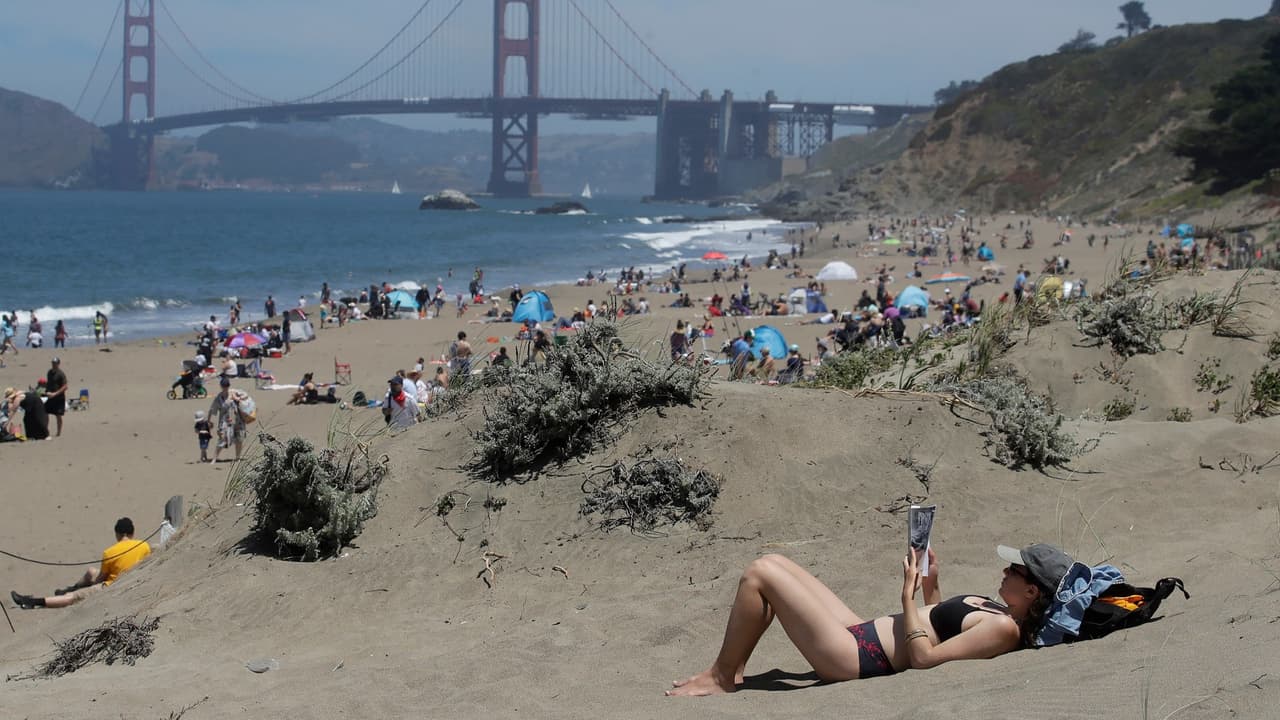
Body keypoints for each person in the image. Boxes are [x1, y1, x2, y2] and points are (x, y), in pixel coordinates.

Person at [665, 543, 1068, 696]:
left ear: (1032, 592)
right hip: (862, 631)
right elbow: (940, 626)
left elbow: (925, 659)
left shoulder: (1004, 628)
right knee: (775, 561)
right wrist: (931, 584)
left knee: (760, 574)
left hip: (859, 658)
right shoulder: (995, 609)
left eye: (1014, 571)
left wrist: (906, 595)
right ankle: (734, 666)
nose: (1005, 572)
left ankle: (721, 676)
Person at [10, 518, 152, 609]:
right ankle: (70, 588)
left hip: (113, 585)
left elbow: (101, 579)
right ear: (132, 533)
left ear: (117, 534)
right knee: (91, 571)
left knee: (72, 598)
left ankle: (33, 602)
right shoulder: (144, 545)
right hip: (130, 577)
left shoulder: (110, 552)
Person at [208, 377, 248, 462]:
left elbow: (246, 397)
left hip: (238, 420)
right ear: (221, 386)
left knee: (239, 439)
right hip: (225, 422)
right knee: (222, 439)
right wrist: (209, 420)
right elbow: (212, 409)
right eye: (224, 386)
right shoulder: (219, 397)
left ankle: (238, 457)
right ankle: (214, 458)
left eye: (227, 386)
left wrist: (237, 398)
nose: (225, 387)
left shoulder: (235, 392)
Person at [44, 356, 68, 437]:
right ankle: (46, 431)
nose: (54, 365)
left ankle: (58, 433)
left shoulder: (61, 374)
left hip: (59, 398)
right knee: (45, 413)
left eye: (55, 363)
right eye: (53, 363)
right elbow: (48, 383)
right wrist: (46, 392)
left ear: (58, 364)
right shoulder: (49, 372)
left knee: (58, 415)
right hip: (50, 397)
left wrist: (55, 393)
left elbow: (65, 386)